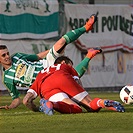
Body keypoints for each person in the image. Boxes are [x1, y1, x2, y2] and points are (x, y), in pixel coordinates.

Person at [0, 13, 98, 109]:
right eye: (3, 55)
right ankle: (88, 56)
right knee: (75, 102)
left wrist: (53, 50)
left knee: (61, 42)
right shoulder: (7, 79)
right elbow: (16, 99)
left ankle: (86, 27)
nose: (7, 56)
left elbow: (38, 56)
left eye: (7, 53)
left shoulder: (17, 56)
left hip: (46, 64)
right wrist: (10, 106)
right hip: (42, 83)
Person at [23, 56, 125, 115]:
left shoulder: (41, 73)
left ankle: (52, 104)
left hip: (46, 88)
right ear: (64, 62)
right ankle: (102, 102)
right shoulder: (64, 66)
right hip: (63, 78)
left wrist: (37, 109)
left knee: (76, 109)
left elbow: (26, 100)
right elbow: (77, 82)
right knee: (89, 106)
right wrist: (83, 99)